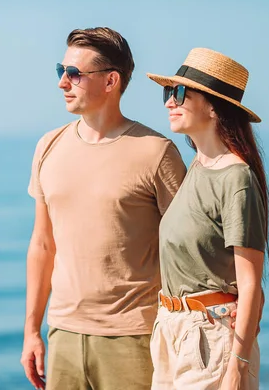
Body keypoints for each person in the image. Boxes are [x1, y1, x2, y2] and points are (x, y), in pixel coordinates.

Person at [20, 27, 187, 390]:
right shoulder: (48, 146)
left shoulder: (157, 153)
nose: (63, 82)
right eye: (60, 71)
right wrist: (32, 330)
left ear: (111, 81)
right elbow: (42, 245)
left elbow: (189, 247)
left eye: (75, 74)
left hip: (134, 337)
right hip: (63, 332)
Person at [146, 47, 269, 389]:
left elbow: (249, 284)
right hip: (172, 329)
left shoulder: (236, 178)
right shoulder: (198, 169)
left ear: (214, 106)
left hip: (210, 339)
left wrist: (237, 368)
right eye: (168, 92)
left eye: (180, 93)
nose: (169, 102)